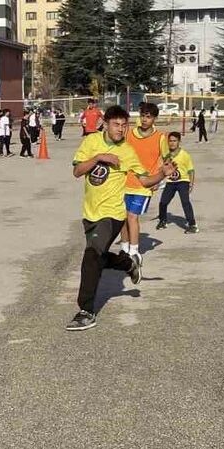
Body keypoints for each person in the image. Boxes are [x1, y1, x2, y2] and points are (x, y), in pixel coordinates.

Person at [66, 106, 174, 331]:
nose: (121, 129)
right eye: (116, 124)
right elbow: (77, 172)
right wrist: (98, 158)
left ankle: (86, 311)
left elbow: (144, 181)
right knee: (99, 256)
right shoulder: (91, 142)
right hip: (90, 213)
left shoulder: (127, 151)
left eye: (124, 125)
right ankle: (128, 263)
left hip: (113, 214)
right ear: (105, 124)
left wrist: (162, 173)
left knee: (91, 255)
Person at [120, 102, 168, 266]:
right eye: (143, 116)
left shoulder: (161, 138)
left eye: (148, 117)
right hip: (124, 182)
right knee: (123, 217)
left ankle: (134, 251)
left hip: (144, 185)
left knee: (133, 216)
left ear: (154, 118)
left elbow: (167, 161)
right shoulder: (129, 134)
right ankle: (124, 248)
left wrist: (160, 180)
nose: (145, 120)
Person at [156, 131, 197, 234]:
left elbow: (191, 170)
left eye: (174, 141)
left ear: (179, 141)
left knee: (185, 202)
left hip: (183, 181)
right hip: (171, 182)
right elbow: (161, 169)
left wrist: (191, 184)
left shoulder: (185, 155)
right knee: (163, 202)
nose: (172, 143)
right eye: (170, 141)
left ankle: (192, 224)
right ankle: (163, 220)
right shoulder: (166, 155)